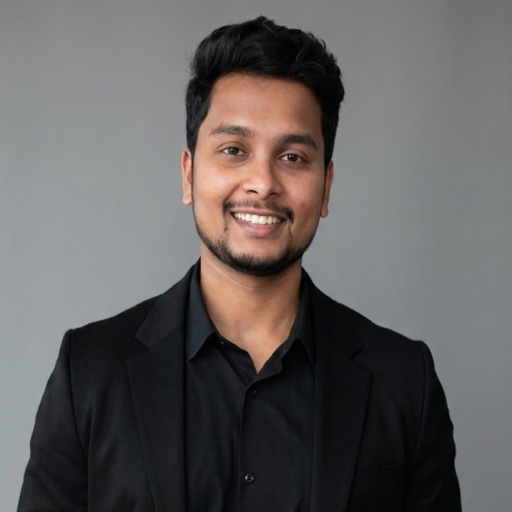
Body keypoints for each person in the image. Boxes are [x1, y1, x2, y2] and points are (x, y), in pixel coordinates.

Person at [17, 16, 461, 512]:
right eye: (233, 150)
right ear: (189, 174)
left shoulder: (404, 382)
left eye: (292, 157)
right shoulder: (88, 372)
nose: (262, 183)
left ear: (326, 187)